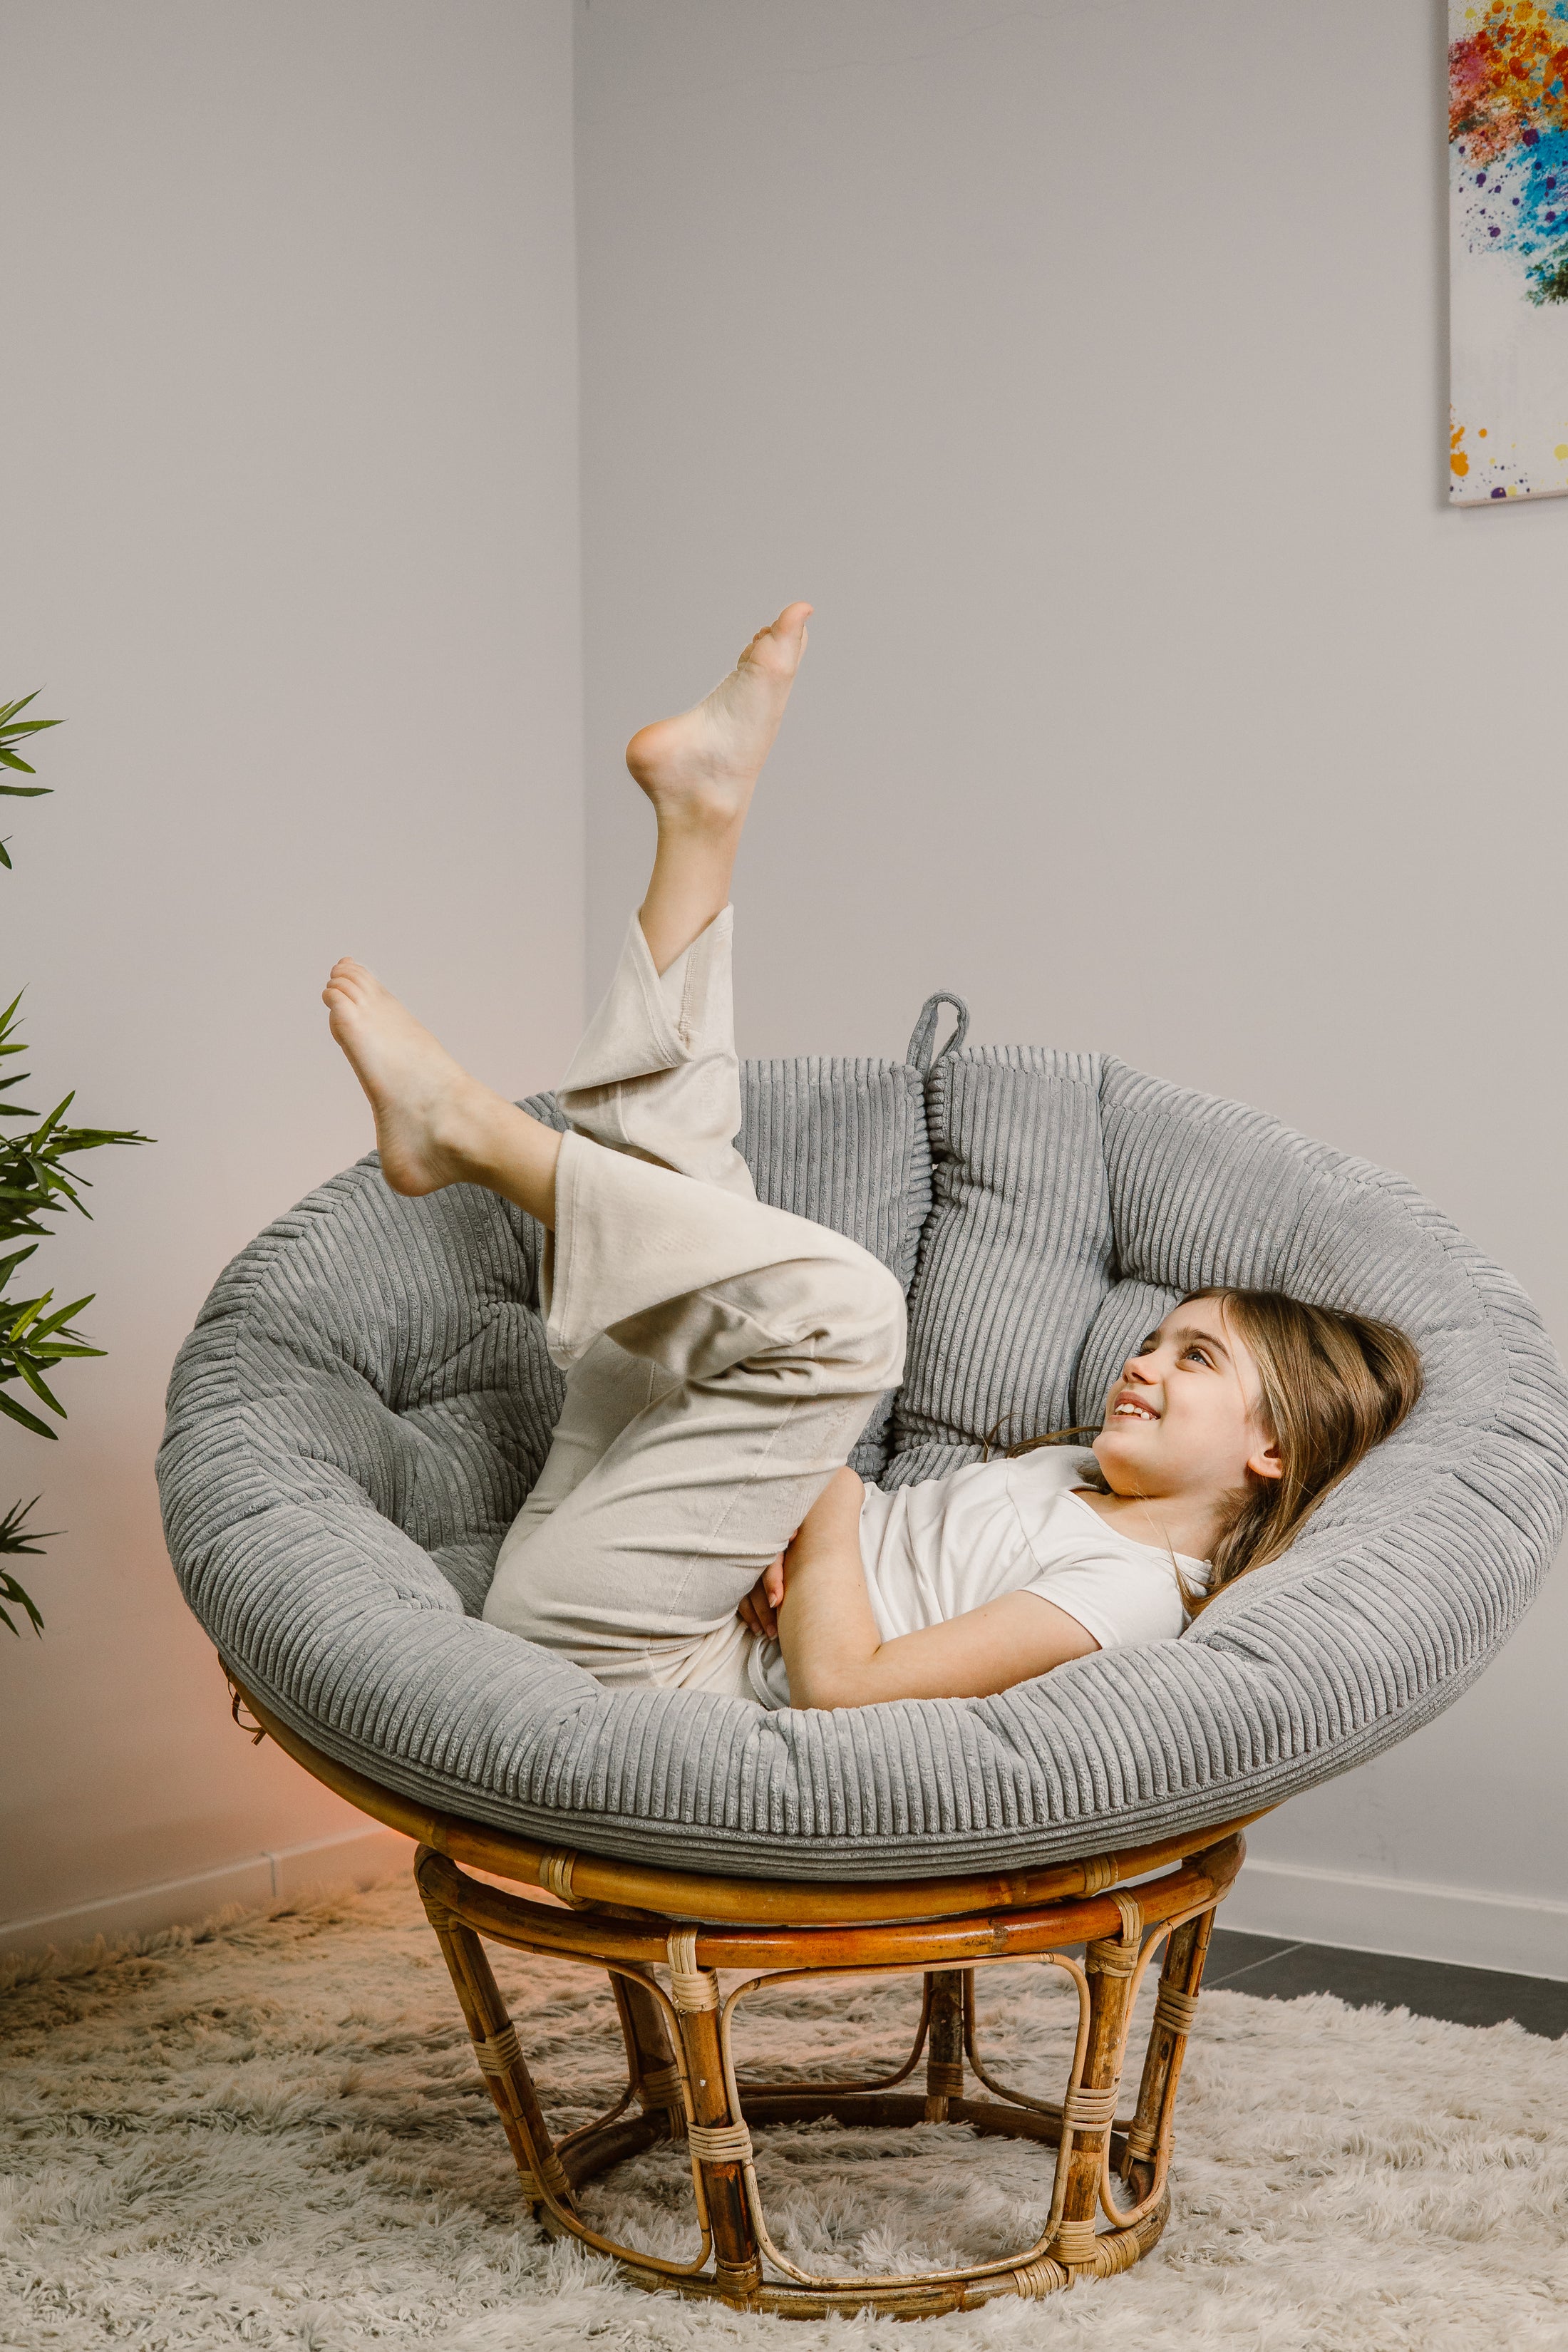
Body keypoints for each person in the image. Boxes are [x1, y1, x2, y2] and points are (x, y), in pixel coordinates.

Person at [323, 605, 1423, 1713]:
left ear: (1274, 1447)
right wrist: (767, 1515)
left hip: (643, 1663)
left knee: (852, 1313)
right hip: (631, 1567)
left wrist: (825, 1498)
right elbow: (816, 1551)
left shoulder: (1131, 1591)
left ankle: (469, 1135)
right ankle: (702, 818)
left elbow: (846, 1689)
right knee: (687, 1171)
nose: (1140, 1363)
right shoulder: (1066, 1478)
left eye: (1195, 1361)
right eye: (1157, 1339)